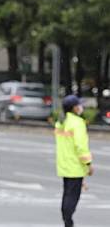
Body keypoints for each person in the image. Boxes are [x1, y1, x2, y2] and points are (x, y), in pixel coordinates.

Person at [55, 95, 93, 227]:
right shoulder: (77, 123)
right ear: (74, 108)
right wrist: (88, 164)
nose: (81, 108)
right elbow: (81, 146)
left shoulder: (61, 122)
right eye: (79, 105)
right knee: (72, 197)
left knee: (67, 194)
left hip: (64, 165)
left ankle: (67, 219)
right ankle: (68, 221)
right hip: (75, 166)